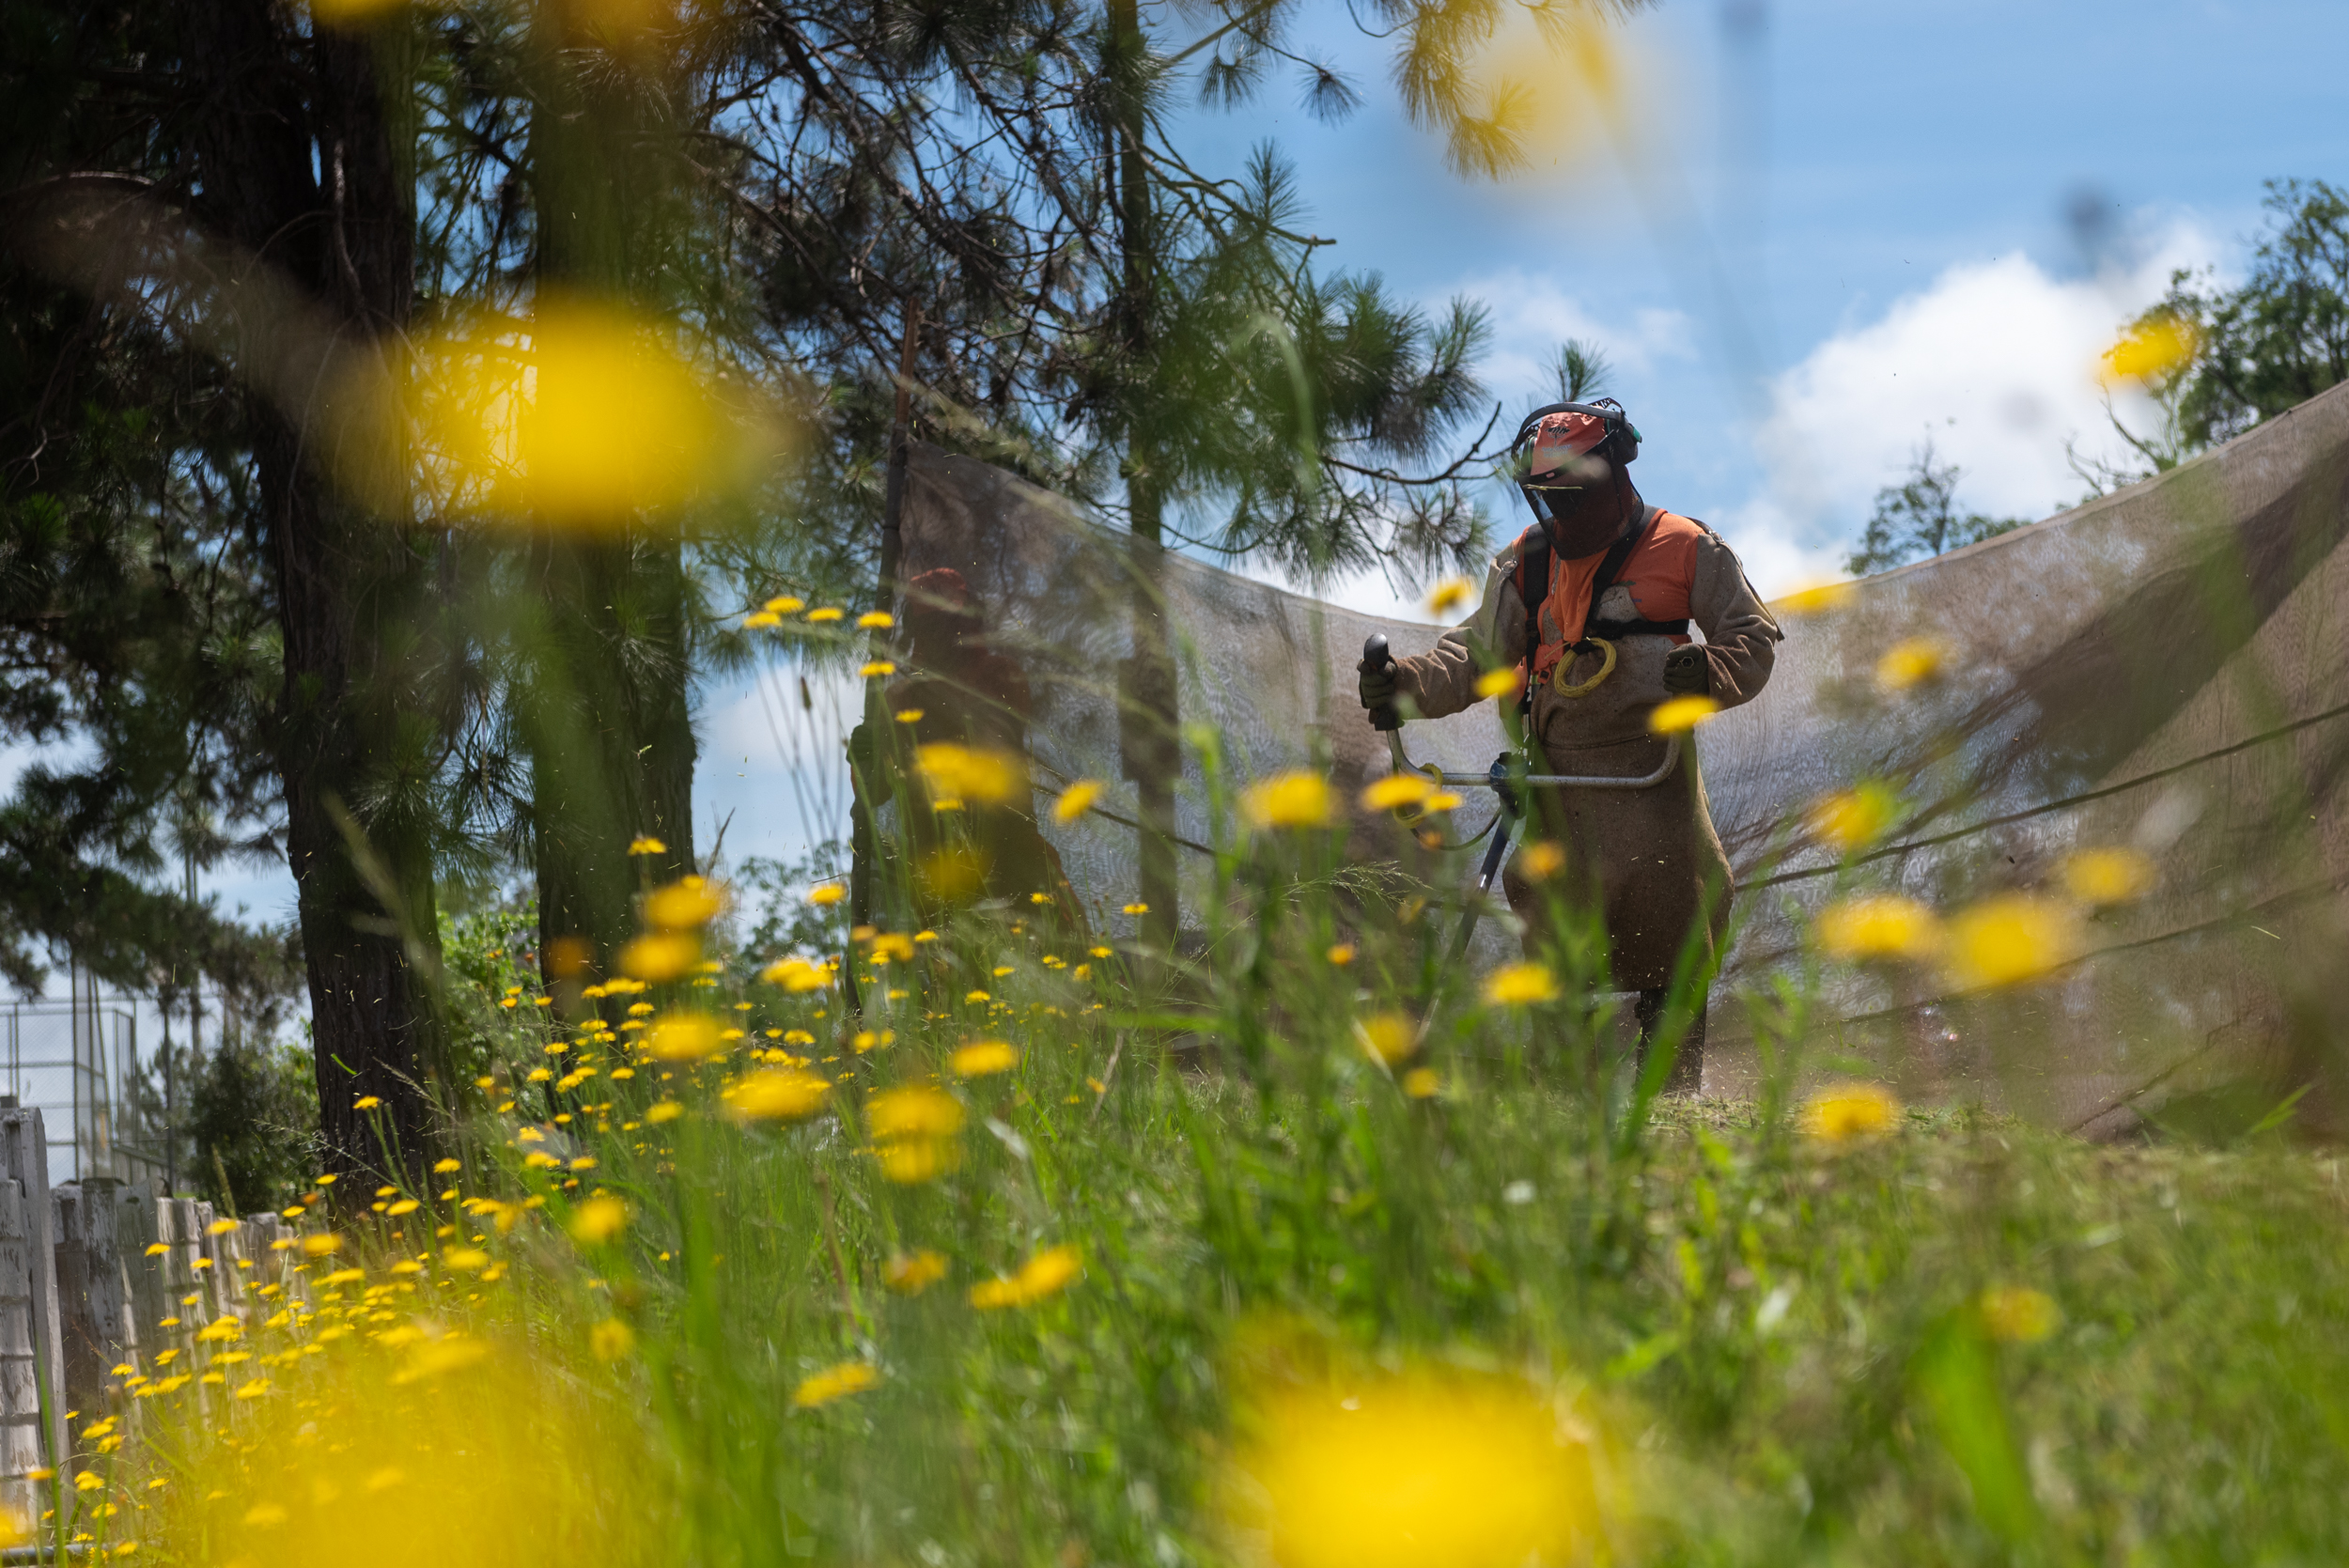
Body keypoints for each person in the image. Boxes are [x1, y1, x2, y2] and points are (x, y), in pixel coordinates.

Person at [1358, 400, 1781, 1092]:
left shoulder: (1686, 547)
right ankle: (1563, 1112)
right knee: (1557, 958)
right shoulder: (1528, 563)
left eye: (1576, 492)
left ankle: (1674, 1112)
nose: (1566, 509)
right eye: (1551, 495)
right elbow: (1471, 657)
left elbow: (1752, 638)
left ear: (1615, 471)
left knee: (1676, 935)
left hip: (1655, 788)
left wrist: (1708, 672)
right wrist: (1401, 683)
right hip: (1560, 797)